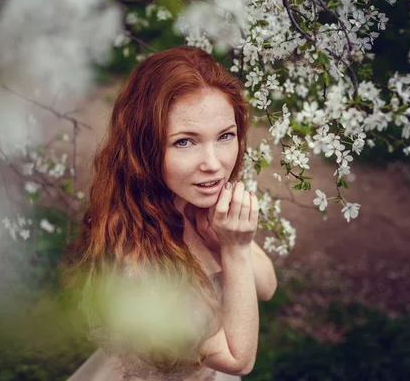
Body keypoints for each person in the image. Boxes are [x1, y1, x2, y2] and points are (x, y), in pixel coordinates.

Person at [65, 46, 277, 381]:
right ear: (144, 147)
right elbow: (238, 360)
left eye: (224, 136)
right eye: (184, 142)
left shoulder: (193, 197)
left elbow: (266, 287)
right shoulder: (135, 254)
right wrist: (234, 251)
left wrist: (230, 241)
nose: (213, 163)